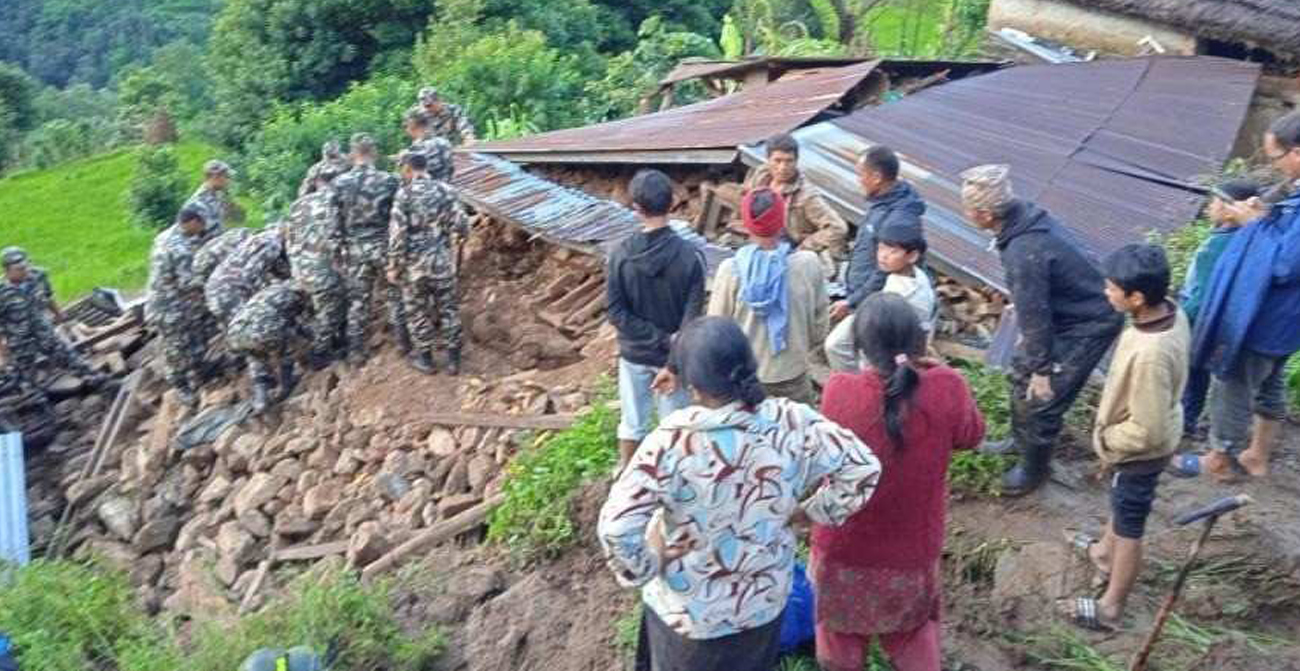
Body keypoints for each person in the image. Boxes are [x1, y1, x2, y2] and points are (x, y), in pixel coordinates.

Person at [598, 316, 882, 671]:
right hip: (760, 608)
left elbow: (616, 527)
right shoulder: (793, 422)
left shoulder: (672, 442)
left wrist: (651, 561)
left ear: (694, 386)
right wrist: (809, 511)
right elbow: (863, 468)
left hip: (690, 616)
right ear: (750, 363)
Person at [812, 293, 984, 671]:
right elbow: (972, 435)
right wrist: (940, 371)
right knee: (913, 636)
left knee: (838, 638)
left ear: (860, 346)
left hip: (843, 549)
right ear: (918, 341)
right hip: (912, 550)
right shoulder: (947, 387)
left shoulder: (839, 391)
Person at [961, 164, 1123, 496]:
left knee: (1044, 397)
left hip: (1088, 321)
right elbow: (1033, 306)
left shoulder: (1024, 249)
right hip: (1064, 312)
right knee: (1018, 374)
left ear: (986, 214)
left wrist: (1043, 369)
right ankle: (1019, 441)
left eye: (969, 210)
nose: (966, 214)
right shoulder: (1021, 220)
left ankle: (1033, 471)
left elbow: (1036, 313)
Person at [1059, 244, 1189, 631]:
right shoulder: (1169, 312)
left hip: (1140, 451)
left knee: (1131, 524)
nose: (1106, 293)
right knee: (1120, 501)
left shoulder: (1151, 354)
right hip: (1153, 432)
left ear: (1137, 297)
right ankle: (1102, 552)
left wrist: (1109, 440)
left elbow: (1146, 431)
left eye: (1112, 288)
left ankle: (1111, 608)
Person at [1183, 111, 1300, 479]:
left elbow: (1284, 265)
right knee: (1270, 382)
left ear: (1296, 153)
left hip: (1267, 315)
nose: (1274, 166)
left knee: (1232, 381)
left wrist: (1253, 225)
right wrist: (1267, 215)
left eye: (1275, 157)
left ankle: (1221, 458)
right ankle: (1257, 456)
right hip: (1287, 320)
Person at [606, 169, 705, 471]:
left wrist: (651, 337)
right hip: (672, 361)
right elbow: (691, 318)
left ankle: (626, 481)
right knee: (676, 428)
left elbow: (616, 312)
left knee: (632, 422)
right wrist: (671, 353)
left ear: (635, 207)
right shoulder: (690, 257)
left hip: (634, 355)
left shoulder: (619, 255)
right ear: (673, 203)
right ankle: (678, 489)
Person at [708, 188, 828, 405]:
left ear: (746, 222)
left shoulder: (731, 270)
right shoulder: (808, 264)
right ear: (782, 220)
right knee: (796, 433)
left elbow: (717, 330)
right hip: (793, 372)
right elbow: (820, 324)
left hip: (745, 379)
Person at [1179, 179, 1261, 436]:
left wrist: (1180, 317)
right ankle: (1190, 419)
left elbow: (1201, 292)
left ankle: (1184, 422)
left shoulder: (1218, 246)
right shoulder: (1239, 238)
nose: (1208, 208)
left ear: (1229, 209)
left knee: (1191, 371)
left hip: (1198, 318)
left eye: (1214, 202)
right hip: (1216, 319)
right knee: (1199, 368)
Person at [387, 149, 470, 375]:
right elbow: (462, 223)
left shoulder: (404, 195)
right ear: (426, 167)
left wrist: (394, 266)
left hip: (415, 267)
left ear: (408, 169)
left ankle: (426, 360)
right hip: (442, 262)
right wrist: (460, 237)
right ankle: (453, 362)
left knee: (417, 312)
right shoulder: (445, 190)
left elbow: (398, 235)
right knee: (448, 309)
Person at [824, 214, 936, 372]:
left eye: (893, 251)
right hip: (895, 334)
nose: (883, 255)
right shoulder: (913, 274)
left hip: (892, 340)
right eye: (881, 248)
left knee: (836, 345)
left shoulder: (903, 293)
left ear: (912, 256)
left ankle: (855, 383)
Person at [830, 146, 927, 327]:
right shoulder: (882, 202)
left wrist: (853, 301)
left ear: (876, 178)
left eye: (861, 175)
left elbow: (885, 269)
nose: (859, 180)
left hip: (874, 303)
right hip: (861, 295)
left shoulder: (898, 219)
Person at [334, 133, 406, 364]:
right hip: (383, 244)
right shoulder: (389, 180)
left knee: (358, 301)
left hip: (355, 249)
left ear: (353, 154)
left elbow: (334, 221)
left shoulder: (340, 183)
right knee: (396, 295)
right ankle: (404, 344)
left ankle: (356, 351)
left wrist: (338, 250)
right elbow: (399, 217)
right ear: (373, 153)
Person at [739, 133, 848, 276]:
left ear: (796, 161)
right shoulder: (760, 176)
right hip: (759, 241)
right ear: (768, 160)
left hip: (787, 250)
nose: (783, 167)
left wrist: (805, 246)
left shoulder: (806, 195)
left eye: (789, 161)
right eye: (777, 161)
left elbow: (838, 227)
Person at [0, 249, 105, 391]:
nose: (25, 271)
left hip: (43, 330)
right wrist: (2, 349)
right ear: (7, 271)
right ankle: (38, 404)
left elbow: (49, 298)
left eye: (26, 266)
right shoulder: (2, 291)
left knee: (68, 356)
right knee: (27, 375)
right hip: (20, 340)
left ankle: (97, 381)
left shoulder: (38, 276)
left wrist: (60, 316)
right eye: (19, 269)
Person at [285, 162, 350, 369]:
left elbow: (289, 237)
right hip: (322, 269)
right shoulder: (334, 201)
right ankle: (319, 353)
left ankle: (332, 339)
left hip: (299, 269)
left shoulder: (298, 204)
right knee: (333, 309)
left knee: (322, 305)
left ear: (318, 181)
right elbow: (336, 236)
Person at [146, 206, 212, 408]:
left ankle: (198, 375)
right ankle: (182, 387)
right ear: (192, 222)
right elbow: (188, 283)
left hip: (169, 301)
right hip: (170, 307)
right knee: (176, 348)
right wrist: (211, 279)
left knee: (190, 339)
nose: (202, 229)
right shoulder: (179, 249)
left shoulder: (166, 236)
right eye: (201, 224)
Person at [226, 280, 308, 414]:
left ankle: (261, 399)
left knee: (255, 357)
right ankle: (286, 385)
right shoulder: (291, 295)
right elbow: (294, 325)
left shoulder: (267, 293)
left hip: (234, 334)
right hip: (261, 330)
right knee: (286, 345)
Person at [205, 225, 289, 328]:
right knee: (250, 328)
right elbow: (252, 272)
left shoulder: (263, 238)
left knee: (238, 330)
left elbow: (280, 273)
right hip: (230, 289)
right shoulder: (272, 243)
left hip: (217, 287)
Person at [184, 159, 242, 238]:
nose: (229, 181)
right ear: (215, 176)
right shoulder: (199, 203)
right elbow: (203, 235)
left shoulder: (217, 195)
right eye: (226, 177)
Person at [407, 87, 477, 146]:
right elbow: (415, 132)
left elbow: (464, 125)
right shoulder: (419, 115)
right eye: (424, 106)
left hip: (453, 150)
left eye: (429, 105)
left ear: (439, 100)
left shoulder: (453, 110)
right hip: (431, 152)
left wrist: (468, 137)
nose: (427, 109)